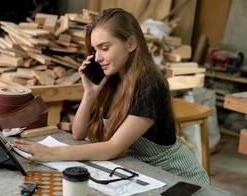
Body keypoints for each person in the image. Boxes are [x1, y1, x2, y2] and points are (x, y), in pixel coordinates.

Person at [15, 8, 209, 185]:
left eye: (105, 48)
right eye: (94, 50)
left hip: (178, 178)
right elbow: (78, 134)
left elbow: (113, 148)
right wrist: (90, 94)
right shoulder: (112, 80)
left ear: (131, 43)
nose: (97, 57)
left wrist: (52, 153)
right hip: (145, 173)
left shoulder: (150, 85)